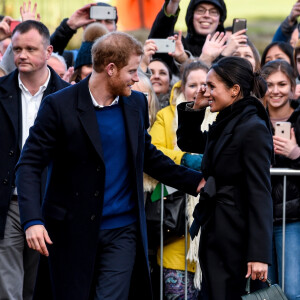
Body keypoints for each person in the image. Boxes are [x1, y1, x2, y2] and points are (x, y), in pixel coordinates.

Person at [15, 31, 203, 300]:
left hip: (123, 232)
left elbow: (148, 156)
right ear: (111, 68)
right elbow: (30, 164)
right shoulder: (59, 106)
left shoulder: (135, 103)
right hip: (71, 231)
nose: (137, 78)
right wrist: (32, 219)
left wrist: (195, 182)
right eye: (132, 70)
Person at [176, 56, 274, 300]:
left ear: (234, 90)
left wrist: (259, 254)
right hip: (216, 231)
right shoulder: (227, 121)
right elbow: (189, 143)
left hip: (236, 238)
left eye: (211, 86)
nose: (205, 92)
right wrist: (194, 108)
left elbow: (260, 193)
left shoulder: (252, 128)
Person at [0, 20, 69, 300]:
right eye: (17, 49)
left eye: (30, 48)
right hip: (7, 202)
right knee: (8, 287)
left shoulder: (68, 95)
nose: (22, 55)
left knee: (40, 285)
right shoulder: (1, 90)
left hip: (51, 202)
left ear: (49, 51)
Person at [149, 59, 213, 300]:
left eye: (205, 84)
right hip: (174, 221)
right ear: (182, 87)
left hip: (211, 225)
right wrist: (185, 159)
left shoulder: (220, 115)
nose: (199, 90)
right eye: (192, 84)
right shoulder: (167, 115)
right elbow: (153, 151)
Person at [261, 59, 300, 300]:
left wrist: (296, 153)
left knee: (292, 291)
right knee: (266, 291)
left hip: (293, 215)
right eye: (270, 84)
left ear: (293, 86)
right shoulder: (254, 119)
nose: (275, 90)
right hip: (259, 216)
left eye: (282, 84)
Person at [148, 0, 227, 74]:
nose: (206, 15)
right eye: (200, 10)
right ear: (191, 16)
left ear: (220, 20)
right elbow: (157, 42)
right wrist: (173, 3)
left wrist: (227, 54)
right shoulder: (179, 45)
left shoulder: (229, 48)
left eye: (213, 12)